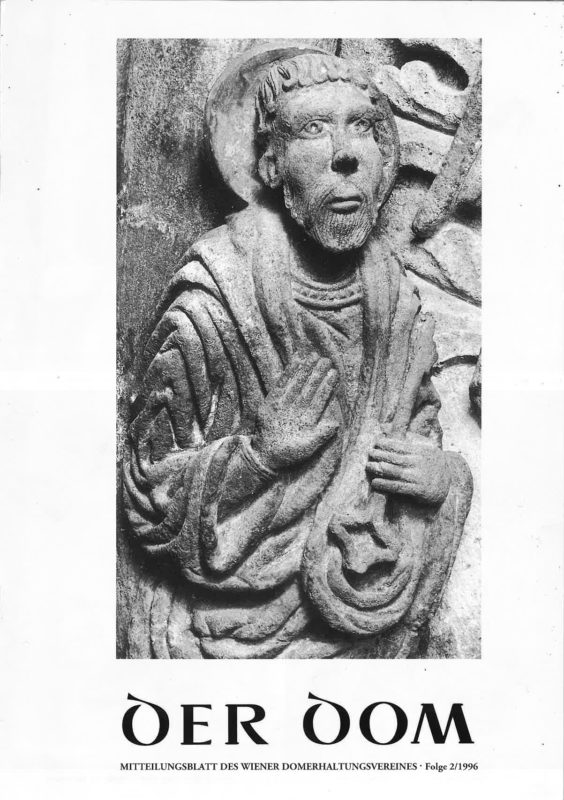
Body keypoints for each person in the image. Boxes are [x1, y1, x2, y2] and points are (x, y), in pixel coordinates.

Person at [122, 52, 472, 659]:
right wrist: (257, 456)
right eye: (313, 128)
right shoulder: (215, 297)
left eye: (364, 127)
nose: (346, 154)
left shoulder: (395, 299)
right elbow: (147, 488)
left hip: (366, 591)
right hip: (221, 628)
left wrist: (440, 478)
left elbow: (419, 431)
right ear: (271, 164)